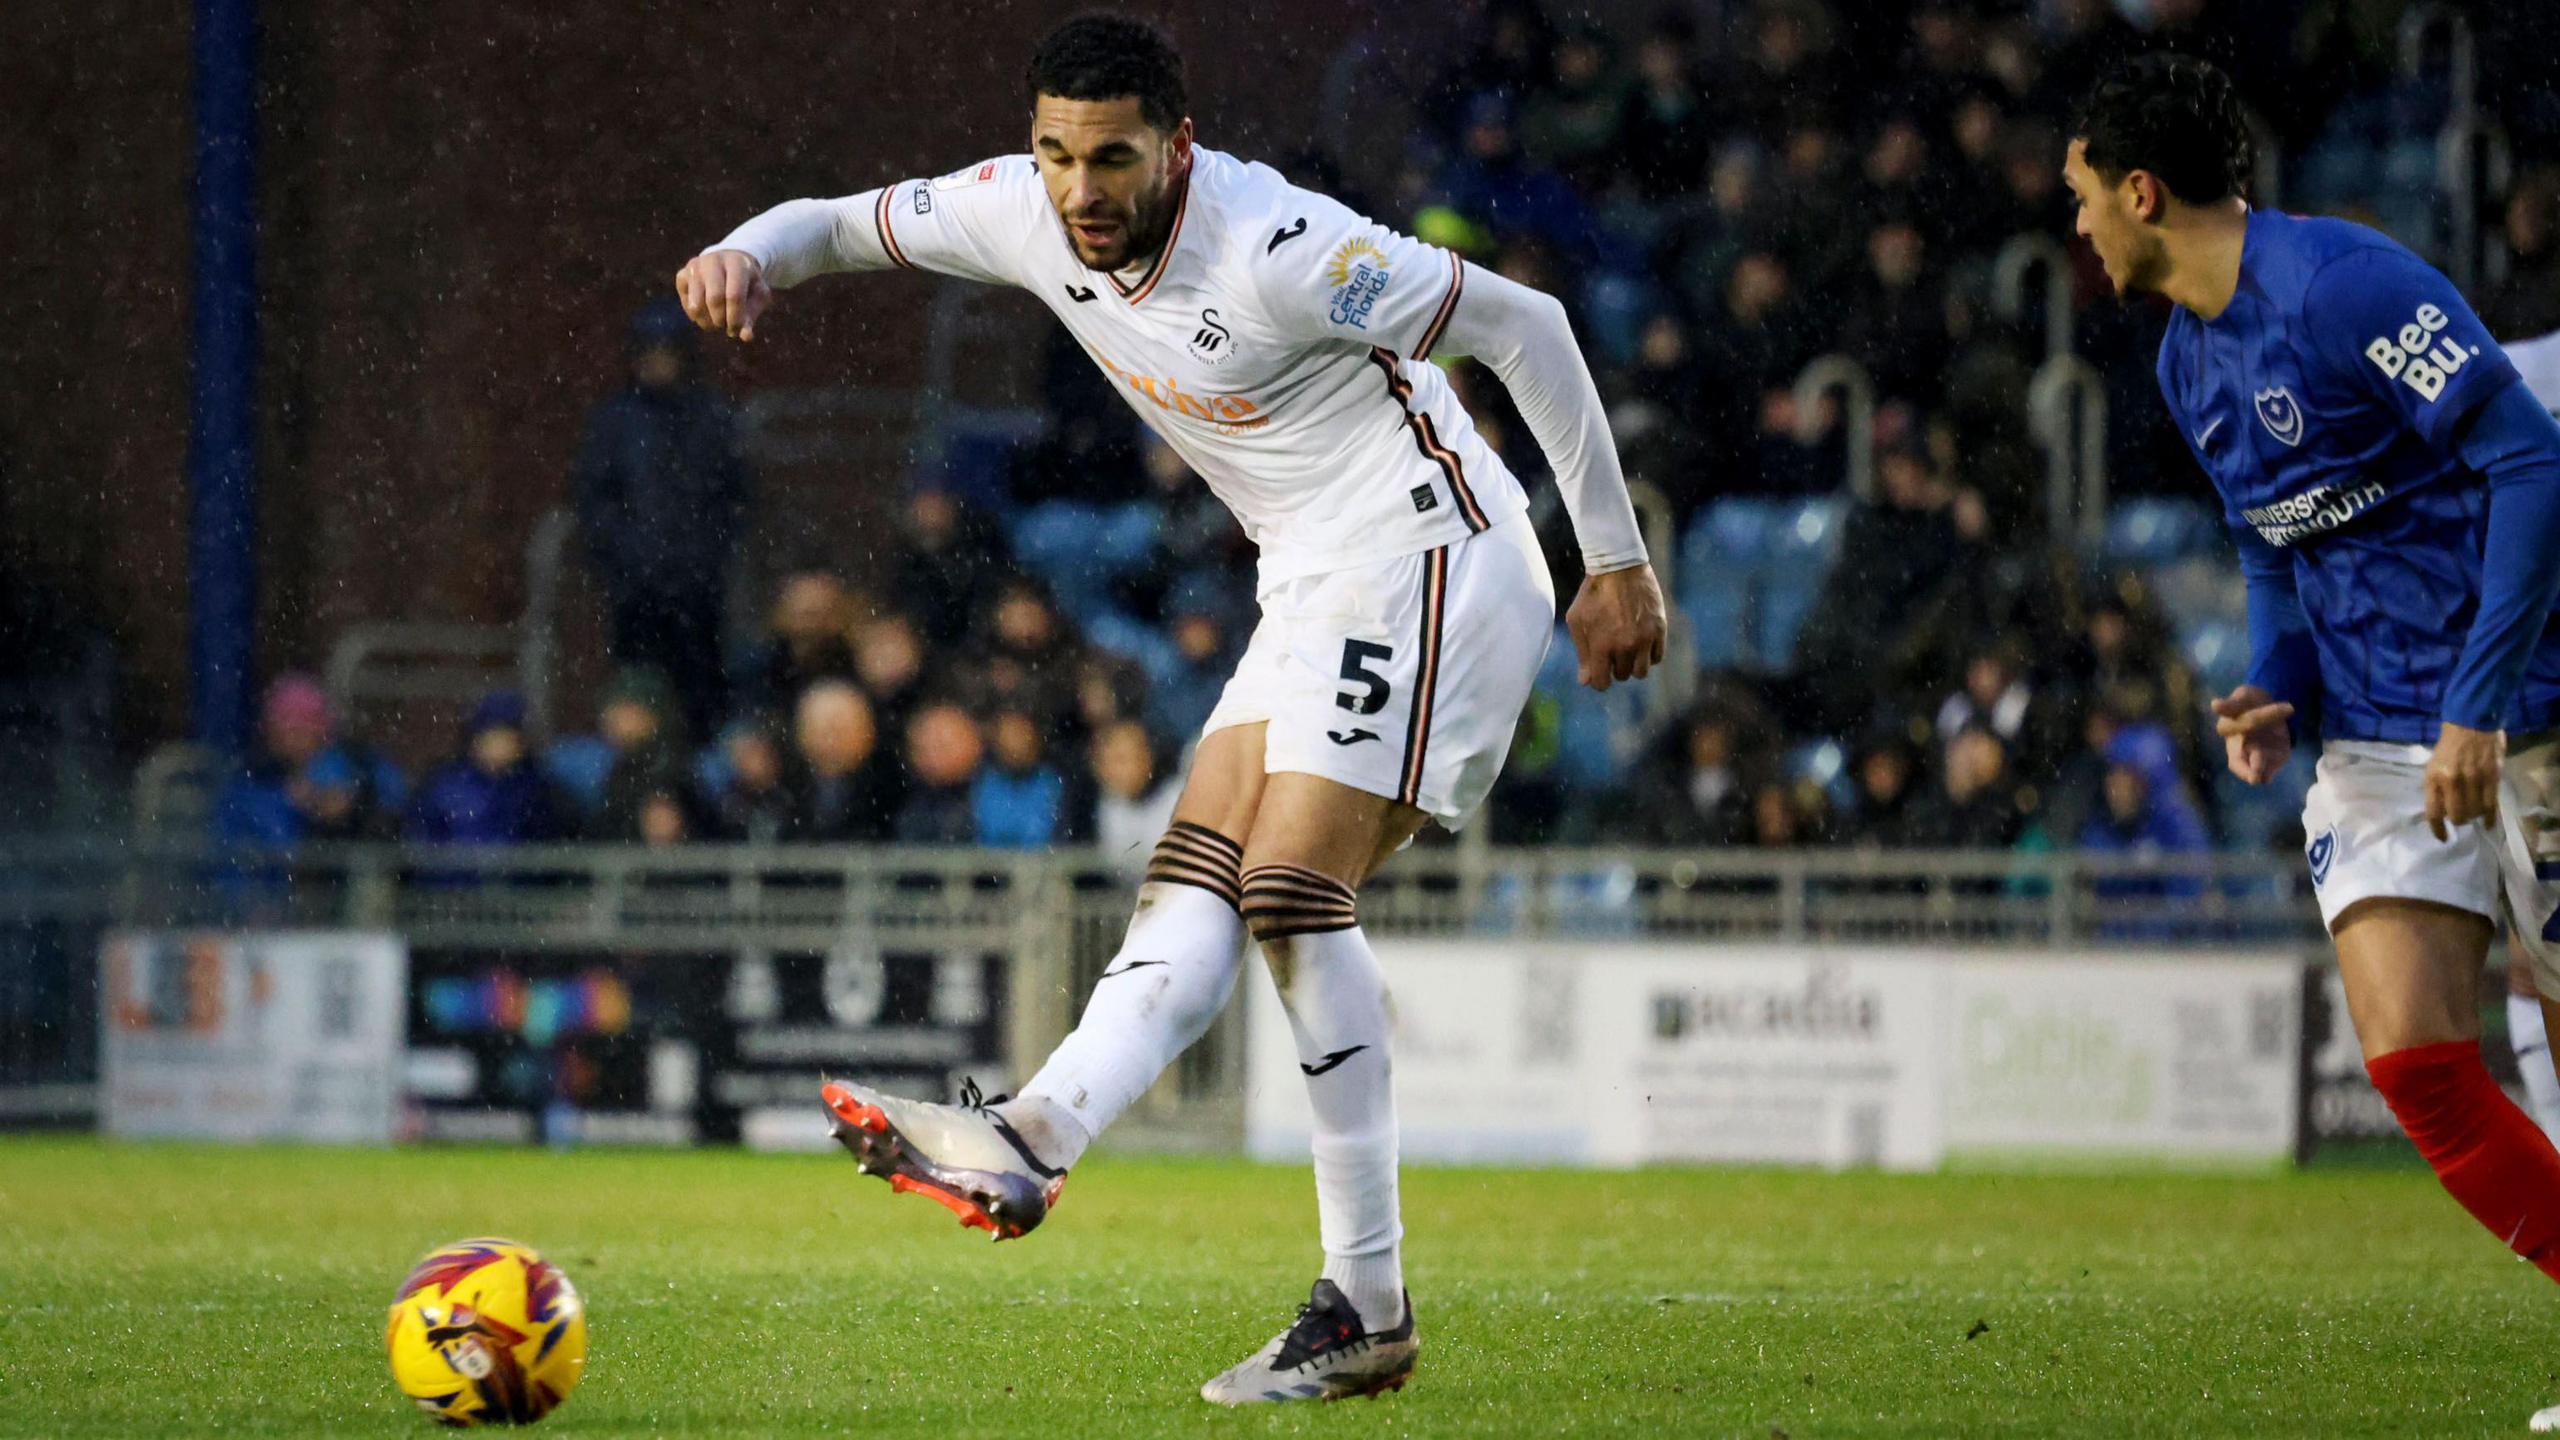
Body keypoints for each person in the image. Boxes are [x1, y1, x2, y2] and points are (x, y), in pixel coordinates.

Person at [675, 13, 1664, 1405]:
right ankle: (1036, 1132)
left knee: (1287, 890)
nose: (1082, 190)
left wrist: (1612, 559)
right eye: (1058, 156)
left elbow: (1528, 326)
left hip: (1433, 549)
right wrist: (749, 252)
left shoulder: (1281, 249)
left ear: (1178, 148)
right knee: (1192, 876)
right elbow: (841, 224)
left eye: (1114, 158)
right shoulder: (1024, 212)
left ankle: (1365, 1304)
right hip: (1310, 575)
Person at [2065, 56, 2560, 1428]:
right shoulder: (2180, 360)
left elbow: (2529, 462)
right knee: (2414, 1061)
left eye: (2085, 194)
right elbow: (2270, 548)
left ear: (2144, 192)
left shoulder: (2348, 286)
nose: (2081, 226)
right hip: (2374, 735)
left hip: (2521, 706)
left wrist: (2481, 702)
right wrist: (2273, 683)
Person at [571, 300, 751, 740]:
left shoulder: (712, 417)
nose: (656, 362)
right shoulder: (615, 422)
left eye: (665, 351)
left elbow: (735, 497)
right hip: (636, 589)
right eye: (647, 352)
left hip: (697, 589)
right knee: (637, 690)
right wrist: (627, 557)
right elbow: (594, 499)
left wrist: (702, 556)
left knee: (703, 694)